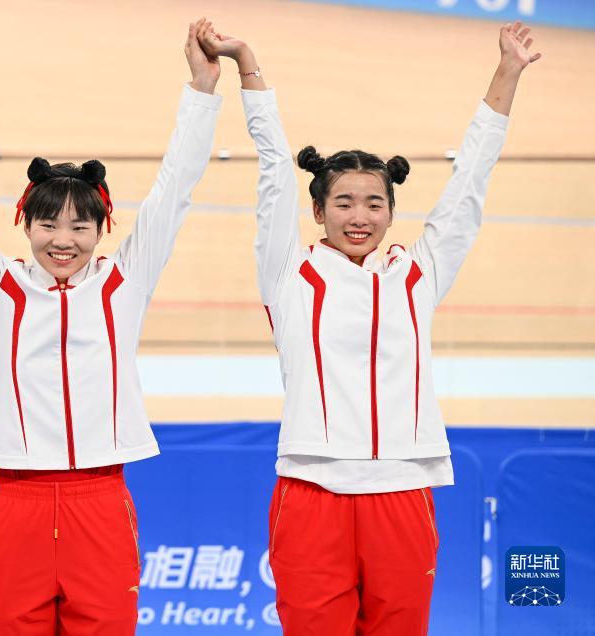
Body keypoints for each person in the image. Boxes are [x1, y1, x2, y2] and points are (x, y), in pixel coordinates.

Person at [0, 18, 221, 634]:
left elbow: (176, 189)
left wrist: (201, 90)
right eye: (48, 225)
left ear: (102, 229)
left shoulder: (124, 283)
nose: (63, 240)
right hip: (15, 502)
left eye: (80, 227)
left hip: (101, 501)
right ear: (25, 225)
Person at [197, 19, 539, 635]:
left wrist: (507, 73)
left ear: (391, 210)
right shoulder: (289, 274)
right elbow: (274, 172)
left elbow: (470, 182)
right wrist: (247, 67)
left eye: (374, 203)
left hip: (403, 490)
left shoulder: (419, 273)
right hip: (310, 491)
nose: (359, 216)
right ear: (318, 209)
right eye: (344, 203)